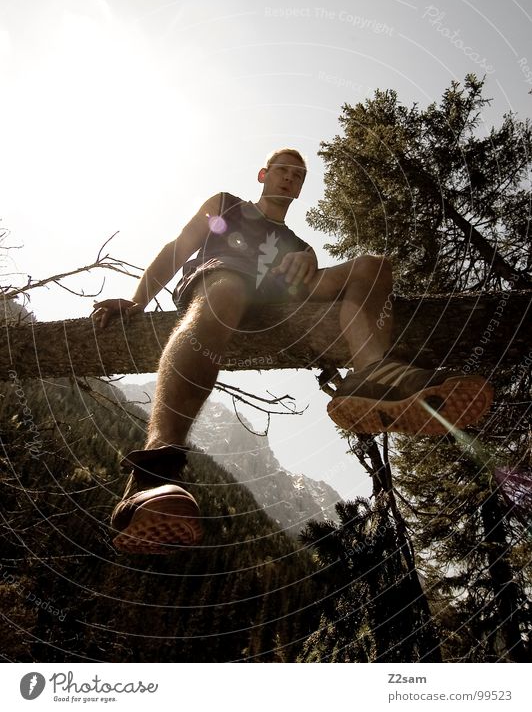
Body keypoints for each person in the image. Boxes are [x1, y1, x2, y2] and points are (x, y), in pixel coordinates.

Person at [92, 148, 493, 554]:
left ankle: (373, 374)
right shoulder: (225, 205)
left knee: (373, 266)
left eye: (298, 176)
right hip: (220, 280)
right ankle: (155, 469)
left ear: (300, 189)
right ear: (263, 174)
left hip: (272, 298)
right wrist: (138, 299)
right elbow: (179, 247)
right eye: (282, 170)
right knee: (229, 289)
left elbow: (307, 284)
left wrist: (305, 265)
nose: (289, 178)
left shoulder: (299, 245)